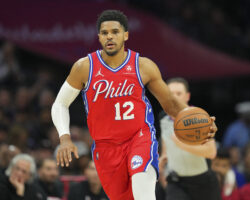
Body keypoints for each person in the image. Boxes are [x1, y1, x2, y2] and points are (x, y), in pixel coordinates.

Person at [51, 10, 217, 200]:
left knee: (143, 194)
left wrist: (201, 121)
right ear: (99, 37)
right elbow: (60, 104)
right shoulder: (84, 67)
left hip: (139, 138)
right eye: (105, 33)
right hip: (105, 147)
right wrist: (64, 138)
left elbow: (170, 103)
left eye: (115, 31)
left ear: (126, 35)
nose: (110, 36)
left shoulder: (143, 66)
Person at [159, 77, 220, 200]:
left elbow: (211, 152)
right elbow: (166, 143)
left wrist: (183, 145)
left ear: (187, 96)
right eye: (171, 93)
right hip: (176, 182)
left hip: (203, 182)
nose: (175, 97)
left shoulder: (200, 118)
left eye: (179, 93)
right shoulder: (163, 118)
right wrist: (163, 158)